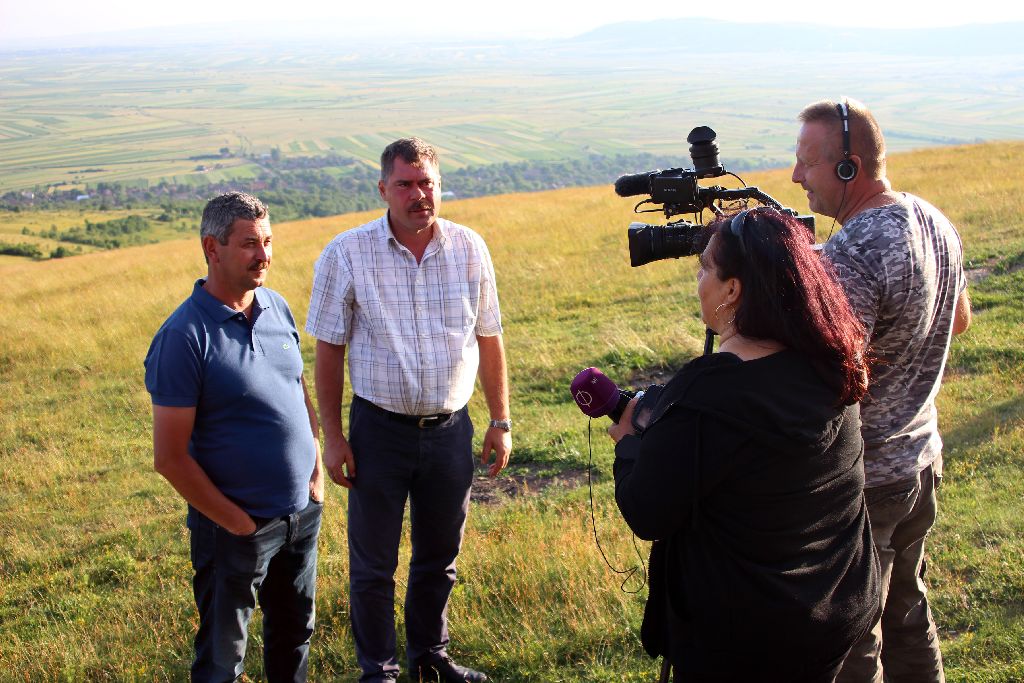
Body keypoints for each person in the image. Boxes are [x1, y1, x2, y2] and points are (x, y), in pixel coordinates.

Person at [608, 207, 880, 682]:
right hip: (834, 610)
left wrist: (629, 443)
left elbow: (646, 511)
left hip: (745, 639)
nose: (699, 282)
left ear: (732, 290)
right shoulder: (832, 364)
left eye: (704, 270)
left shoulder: (708, 399)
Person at [306, 137, 511, 683]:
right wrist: (333, 436)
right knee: (373, 565)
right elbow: (328, 349)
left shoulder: (470, 248)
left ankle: (430, 659)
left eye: (427, 184)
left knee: (439, 556)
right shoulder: (346, 252)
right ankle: (379, 670)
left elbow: (489, 337)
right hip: (378, 432)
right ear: (383, 189)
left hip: (451, 430)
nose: (418, 195)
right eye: (405, 184)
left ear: (439, 187)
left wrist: (500, 420)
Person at [793, 98, 972, 683]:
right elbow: (960, 318)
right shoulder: (933, 219)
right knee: (906, 612)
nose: (796, 177)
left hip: (867, 482)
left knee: (851, 640)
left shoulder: (855, 250)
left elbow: (831, 379)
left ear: (850, 166)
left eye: (807, 163)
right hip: (921, 460)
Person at [144, 192, 324, 682]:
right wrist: (237, 524)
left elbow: (297, 388)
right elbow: (170, 458)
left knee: (294, 636)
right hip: (235, 528)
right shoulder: (183, 337)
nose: (264, 254)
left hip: (300, 516)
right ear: (212, 248)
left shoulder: (276, 305)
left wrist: (315, 474)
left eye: (267, 241)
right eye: (249, 243)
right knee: (224, 660)